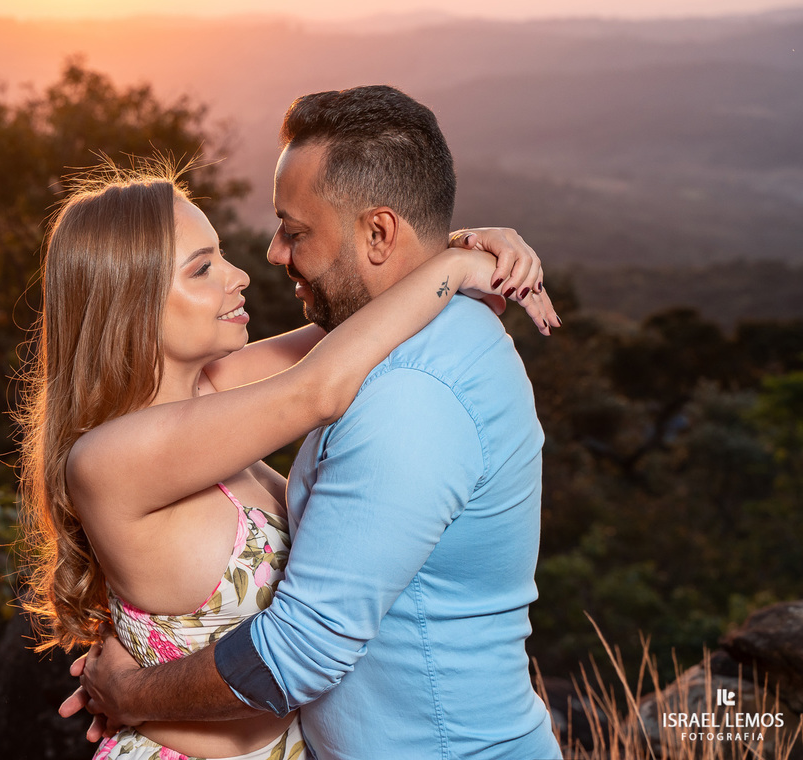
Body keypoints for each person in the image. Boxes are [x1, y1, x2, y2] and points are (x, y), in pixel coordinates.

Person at [62, 86, 565, 760]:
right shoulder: (114, 454)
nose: (255, 264)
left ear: (381, 231)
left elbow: (342, 342)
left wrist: (455, 250)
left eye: (292, 232)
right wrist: (452, 262)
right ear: (132, 300)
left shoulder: (223, 393)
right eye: (204, 267)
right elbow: (321, 382)